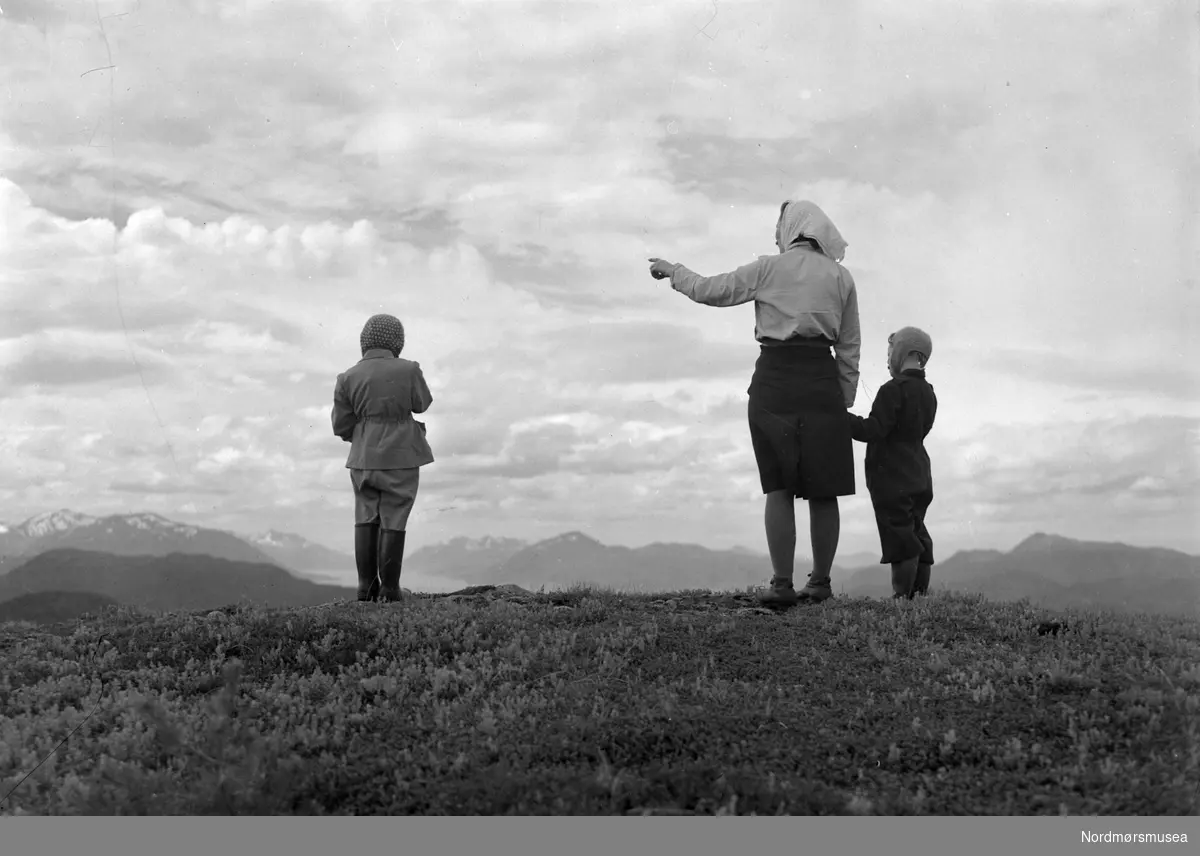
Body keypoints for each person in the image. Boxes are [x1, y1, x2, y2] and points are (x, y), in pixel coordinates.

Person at [649, 200, 860, 607]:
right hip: (821, 382)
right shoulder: (841, 277)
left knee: (778, 484)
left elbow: (712, 290)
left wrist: (675, 271)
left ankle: (781, 584)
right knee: (824, 489)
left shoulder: (768, 267)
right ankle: (820, 583)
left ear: (791, 229)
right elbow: (849, 345)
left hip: (774, 380)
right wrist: (843, 401)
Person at [331, 314, 434, 603]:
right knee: (395, 514)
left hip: (363, 457)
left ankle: (366, 587)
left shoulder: (347, 377)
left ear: (364, 341)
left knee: (365, 515)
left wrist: (364, 436)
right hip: (402, 454)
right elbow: (422, 404)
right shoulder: (409, 369)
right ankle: (390, 589)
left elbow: (340, 426)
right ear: (397, 342)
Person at [845, 327, 937, 599]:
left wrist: (842, 419)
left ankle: (901, 597)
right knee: (917, 530)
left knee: (899, 537)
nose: (887, 359)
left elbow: (873, 430)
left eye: (889, 351)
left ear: (903, 352)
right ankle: (918, 595)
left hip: (891, 475)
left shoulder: (891, 390)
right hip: (920, 471)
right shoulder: (928, 391)